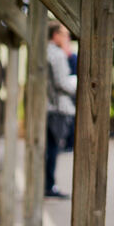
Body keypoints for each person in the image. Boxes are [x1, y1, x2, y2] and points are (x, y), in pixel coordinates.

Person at [45, 22, 77, 198]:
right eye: (64, 34)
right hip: (57, 107)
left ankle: (48, 184)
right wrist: (76, 84)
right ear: (55, 35)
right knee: (52, 150)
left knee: (50, 149)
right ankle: (49, 185)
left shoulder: (46, 51)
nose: (67, 38)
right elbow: (62, 83)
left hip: (49, 106)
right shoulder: (56, 54)